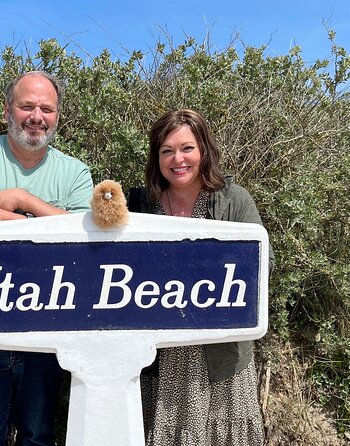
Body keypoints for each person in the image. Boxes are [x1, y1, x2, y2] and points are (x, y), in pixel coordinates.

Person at [0, 71, 94, 445]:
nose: (36, 116)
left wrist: (24, 200)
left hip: (46, 336)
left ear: (57, 116)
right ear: (8, 109)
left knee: (37, 438)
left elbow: (86, 233)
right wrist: (29, 221)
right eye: (27, 105)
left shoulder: (75, 172)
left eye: (46, 108)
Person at [131, 109, 274, 446]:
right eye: (167, 151)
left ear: (204, 150)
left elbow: (261, 263)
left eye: (187, 148)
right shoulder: (140, 204)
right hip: (160, 359)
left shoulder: (233, 200)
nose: (177, 159)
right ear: (156, 157)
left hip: (220, 355)